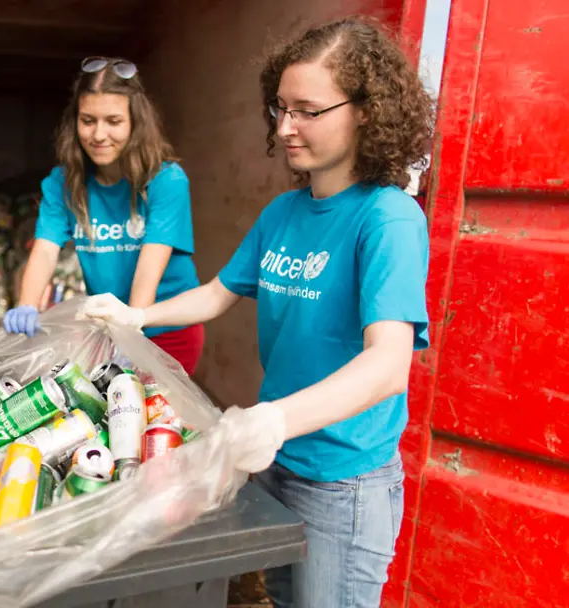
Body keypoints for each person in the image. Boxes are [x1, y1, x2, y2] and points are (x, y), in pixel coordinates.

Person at [82, 18, 434, 608]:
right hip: (277, 465)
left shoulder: (388, 219)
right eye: (280, 108)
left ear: (366, 112)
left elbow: (388, 366)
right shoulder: (284, 212)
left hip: (340, 481)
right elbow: (219, 294)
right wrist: (136, 318)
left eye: (308, 110)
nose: (286, 127)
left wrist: (273, 421)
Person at [3, 56, 205, 374]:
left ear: (135, 124)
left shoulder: (166, 181)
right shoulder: (63, 182)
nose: (98, 135)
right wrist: (27, 304)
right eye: (88, 120)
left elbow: (150, 264)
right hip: (108, 328)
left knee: (154, 420)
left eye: (113, 121)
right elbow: (44, 248)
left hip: (167, 329)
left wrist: (131, 332)